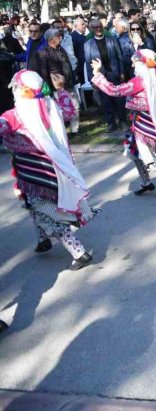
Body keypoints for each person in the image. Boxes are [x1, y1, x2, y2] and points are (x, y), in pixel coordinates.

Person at [0, 71, 97, 270]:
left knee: (46, 212)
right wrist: (60, 91)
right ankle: (42, 240)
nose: (14, 91)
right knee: (33, 204)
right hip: (53, 167)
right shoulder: (51, 105)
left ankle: (79, 253)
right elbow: (70, 112)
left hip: (35, 173)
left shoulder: (14, 115)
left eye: (16, 87)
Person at [90, 49, 156, 200]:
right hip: (147, 121)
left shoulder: (140, 81)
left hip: (145, 124)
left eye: (134, 62)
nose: (132, 65)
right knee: (134, 152)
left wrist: (98, 74)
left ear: (142, 63)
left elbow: (114, 90)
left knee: (154, 160)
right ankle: (146, 182)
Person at [84, 18, 128, 132]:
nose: (98, 29)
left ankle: (123, 121)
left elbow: (119, 57)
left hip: (114, 73)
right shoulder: (88, 44)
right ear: (91, 29)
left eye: (100, 26)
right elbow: (88, 63)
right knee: (106, 101)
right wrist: (92, 79)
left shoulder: (112, 40)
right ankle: (111, 123)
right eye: (95, 27)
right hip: (100, 76)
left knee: (119, 99)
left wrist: (122, 73)